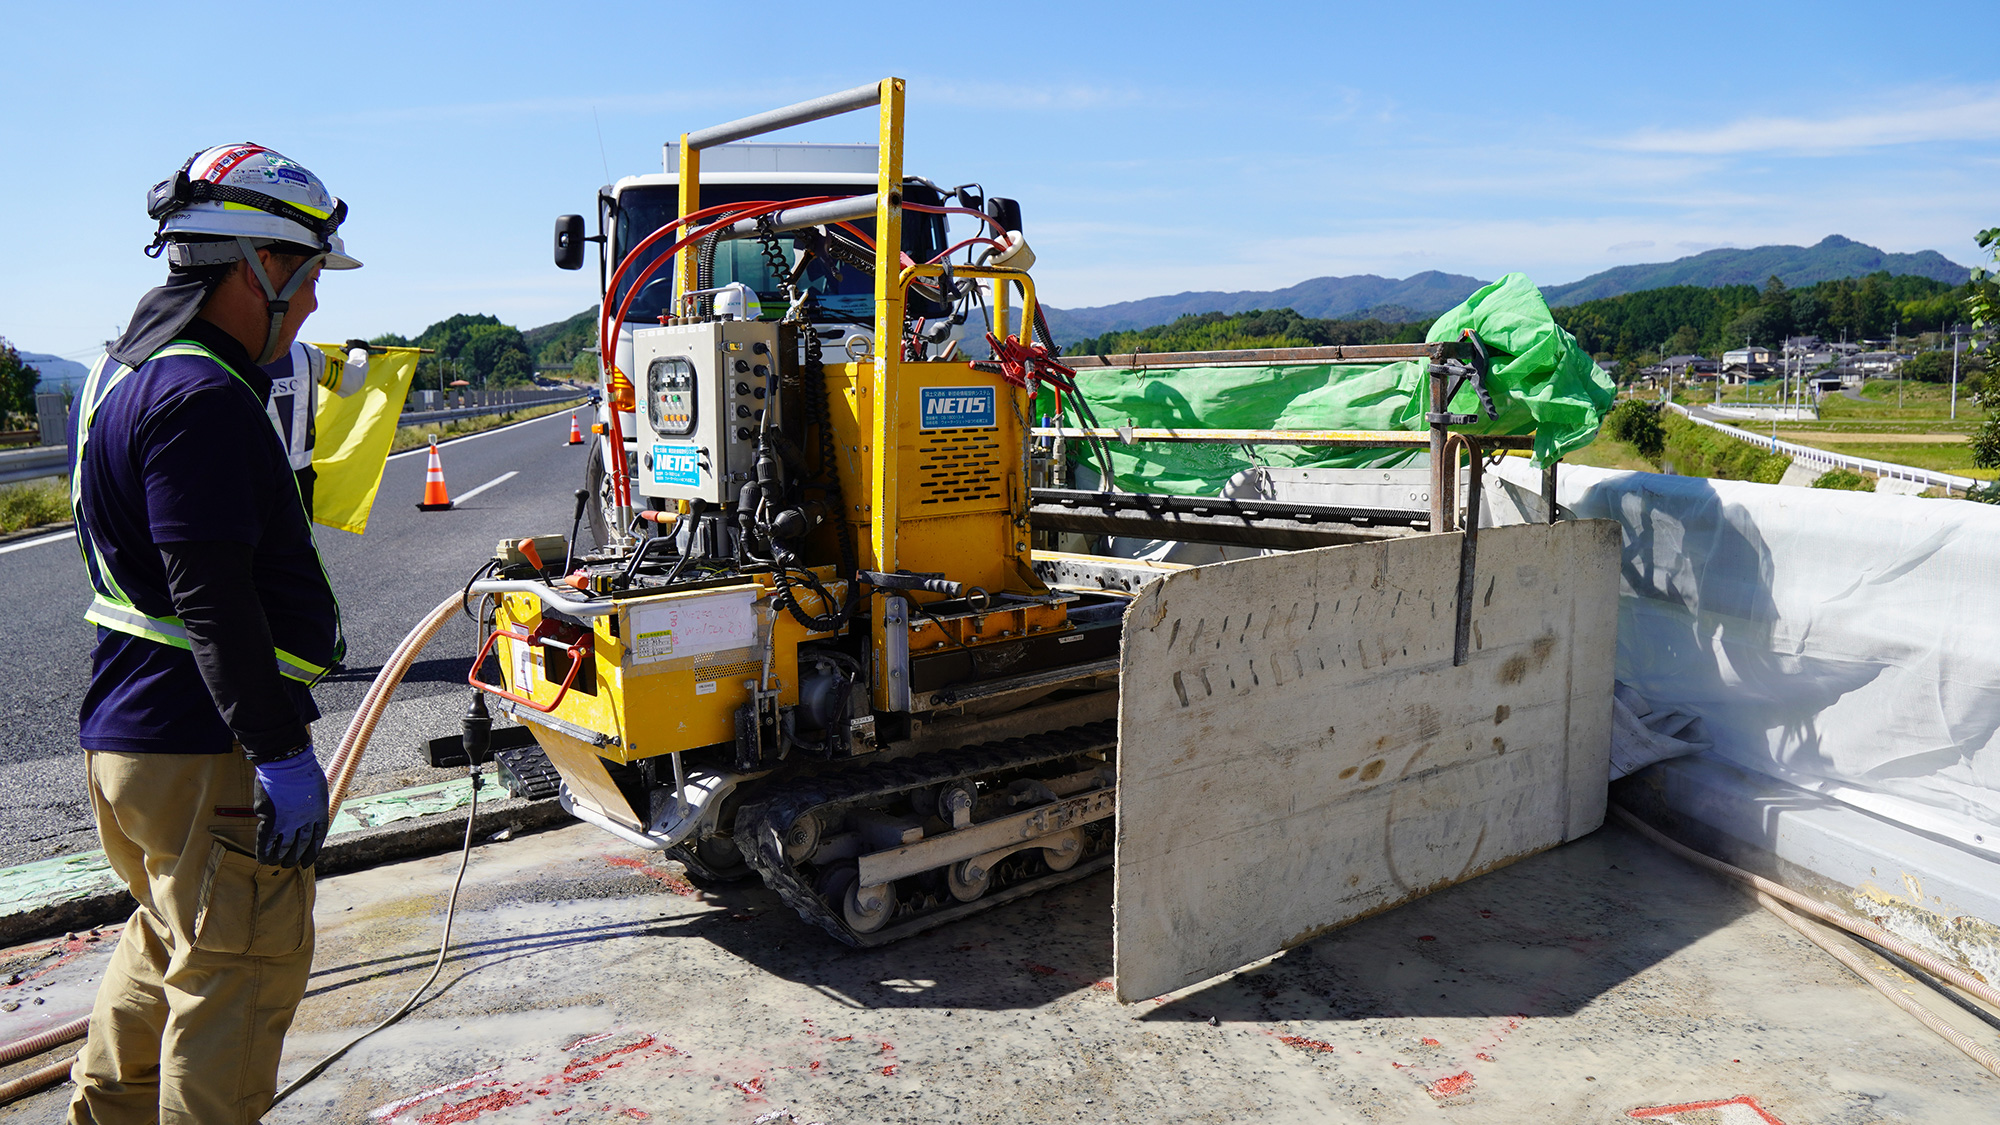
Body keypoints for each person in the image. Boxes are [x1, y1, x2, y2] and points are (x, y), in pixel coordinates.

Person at [67, 143, 359, 1124]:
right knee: (237, 974)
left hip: (136, 736)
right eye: (310, 276)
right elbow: (211, 591)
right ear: (259, 266)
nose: (315, 303)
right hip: (208, 748)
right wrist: (279, 751)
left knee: (166, 943)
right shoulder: (202, 397)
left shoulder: (129, 371)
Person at [261, 337, 373, 512]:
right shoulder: (307, 353)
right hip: (299, 475)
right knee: (298, 537)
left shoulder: (229, 357)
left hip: (251, 476)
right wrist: (358, 351)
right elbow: (351, 381)